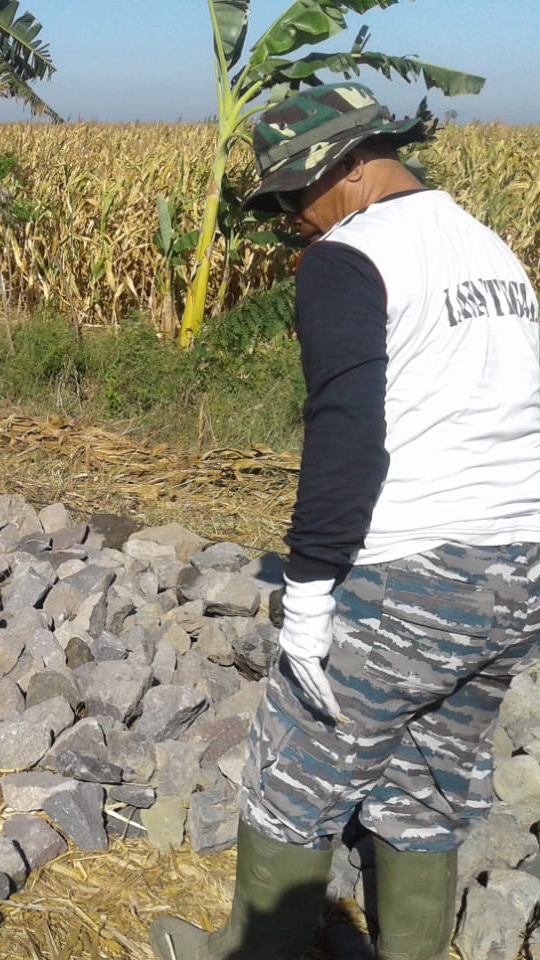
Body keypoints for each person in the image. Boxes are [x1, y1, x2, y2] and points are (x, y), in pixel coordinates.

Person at [150, 83, 540, 960]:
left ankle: (253, 951)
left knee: (293, 776)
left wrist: (311, 589)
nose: (295, 219)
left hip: (410, 571)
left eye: (293, 196)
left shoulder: (351, 256)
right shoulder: (489, 249)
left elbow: (345, 429)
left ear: (346, 167)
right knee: (428, 786)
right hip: (518, 569)